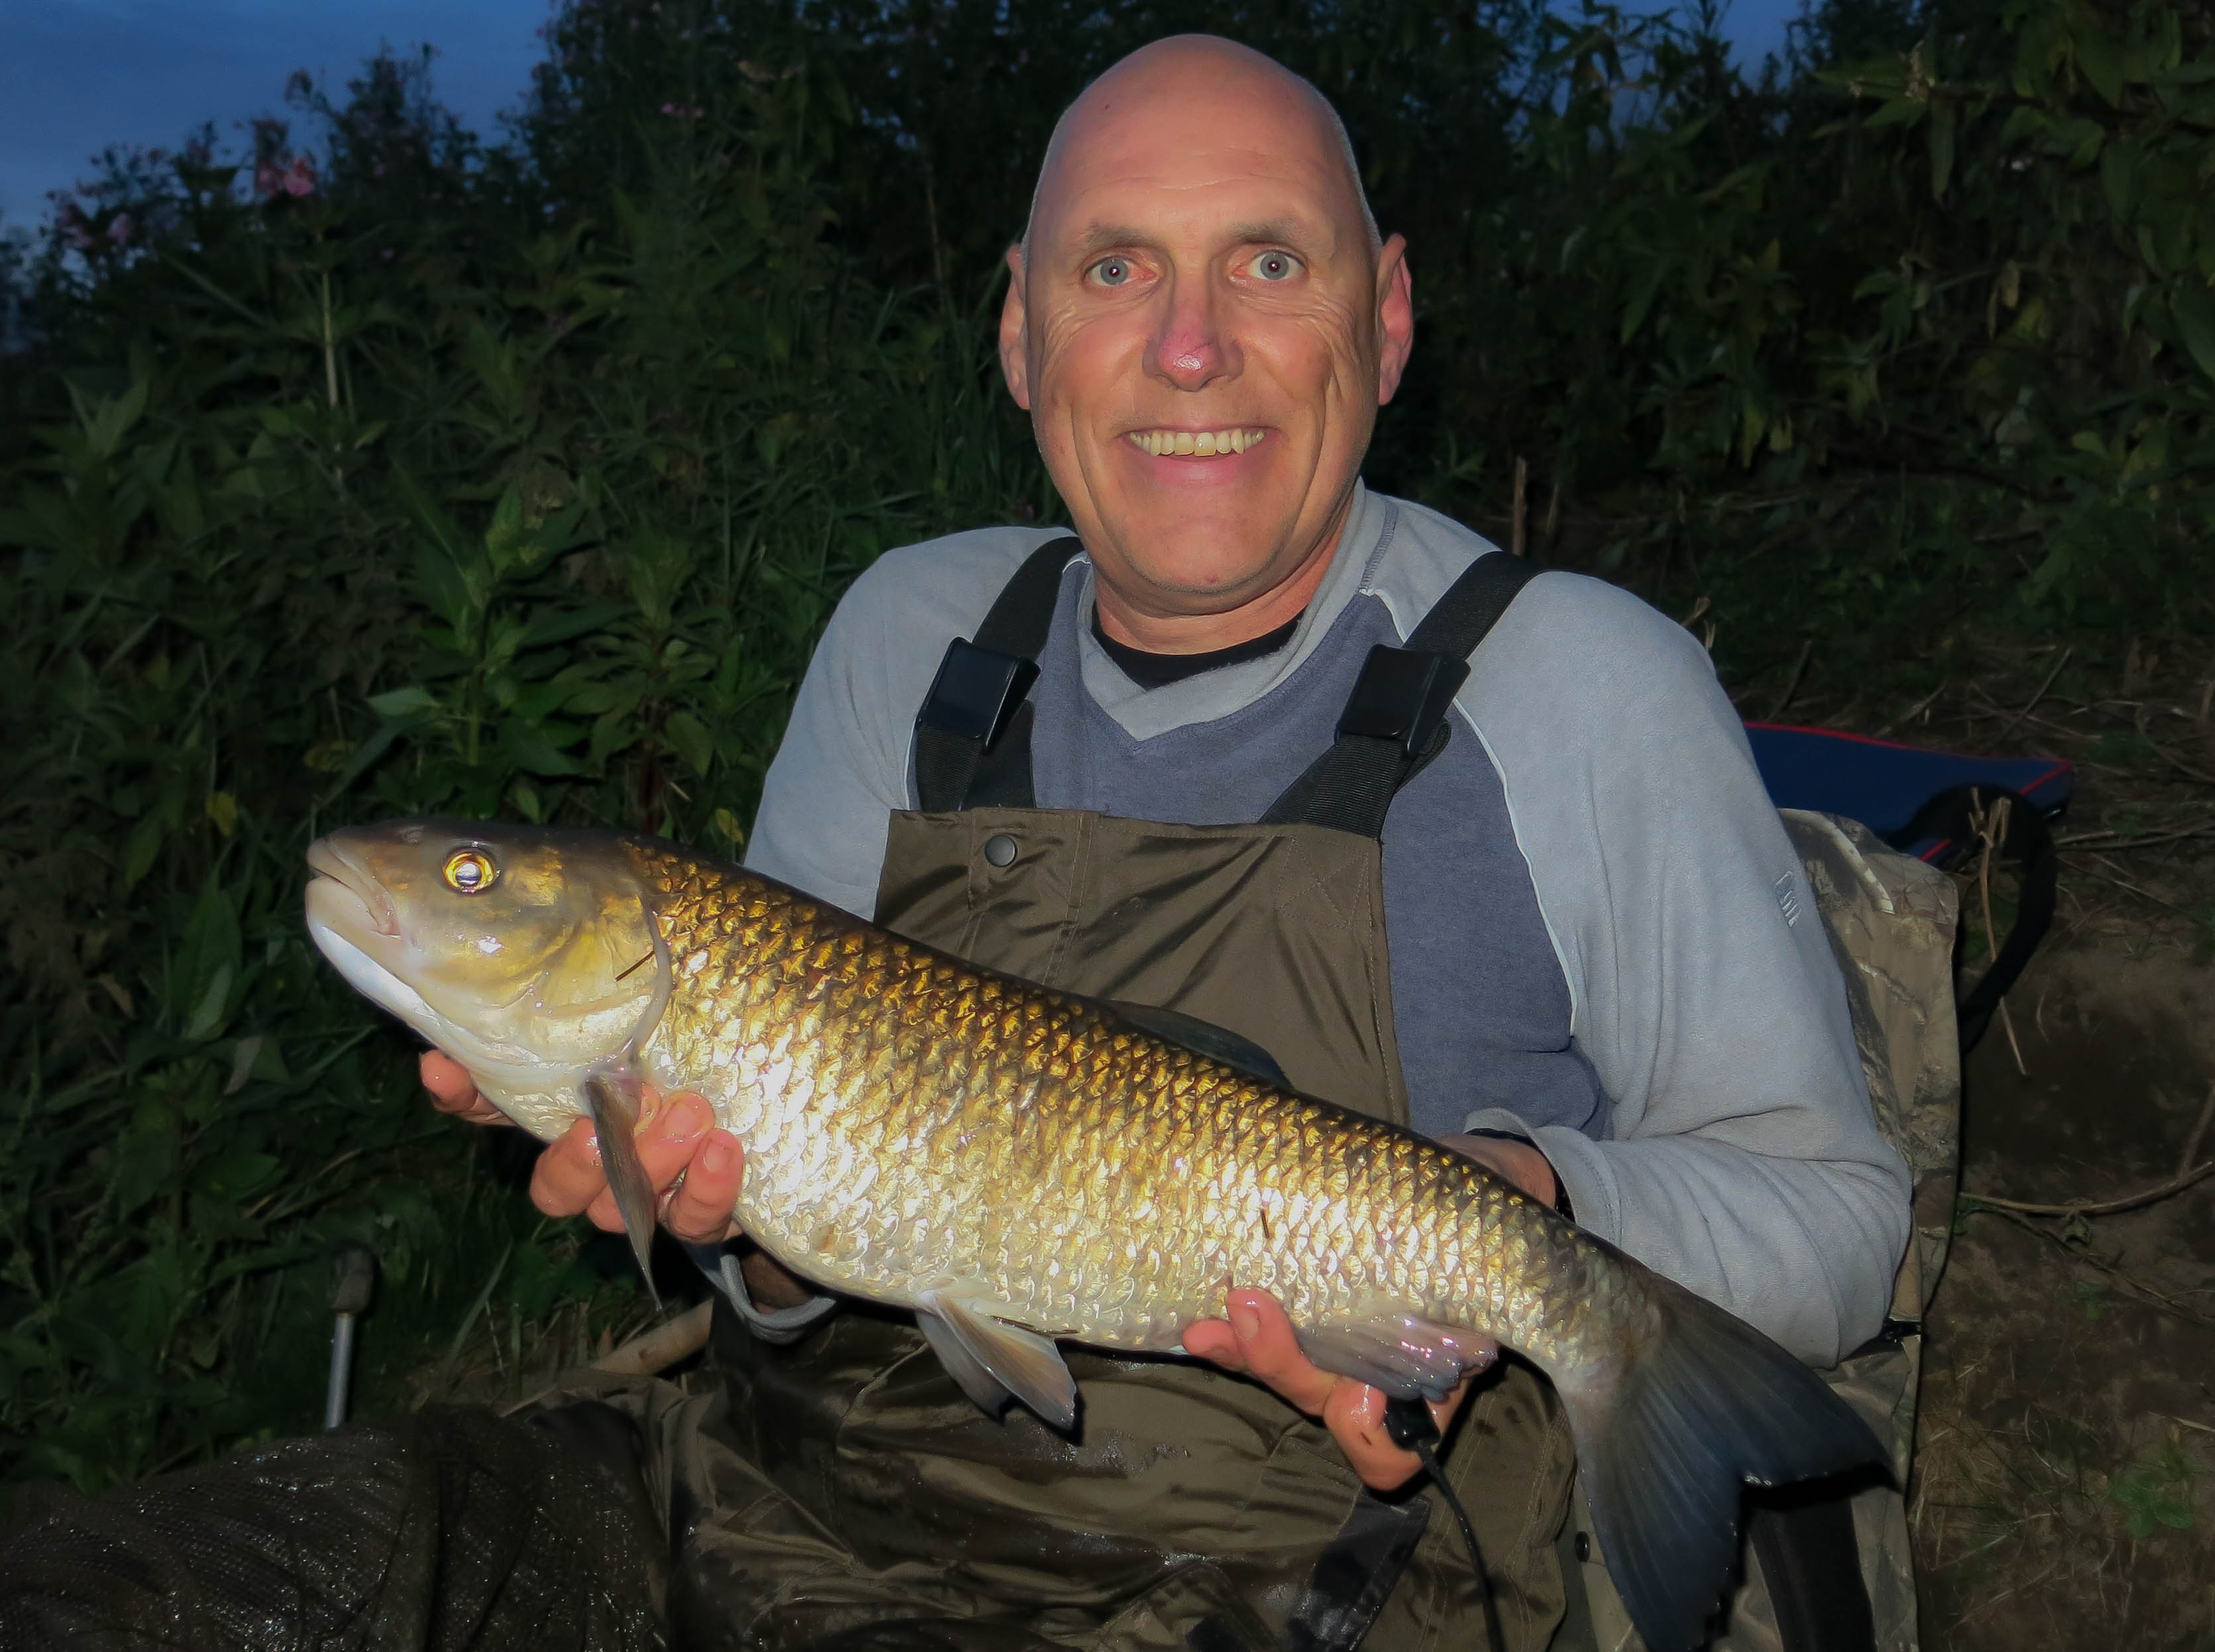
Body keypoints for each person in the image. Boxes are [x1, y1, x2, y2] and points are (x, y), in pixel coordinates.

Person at [420, 31, 1913, 1652]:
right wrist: (748, 1246)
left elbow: (1837, 1224)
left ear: (1389, 312)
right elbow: (795, 1245)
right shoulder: (908, 633)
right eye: (1117, 267)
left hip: (1312, 1581)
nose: (1190, 349)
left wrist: (1523, 1203)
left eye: (1268, 261)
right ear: (1019, 327)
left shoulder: (1577, 682)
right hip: (802, 1515)